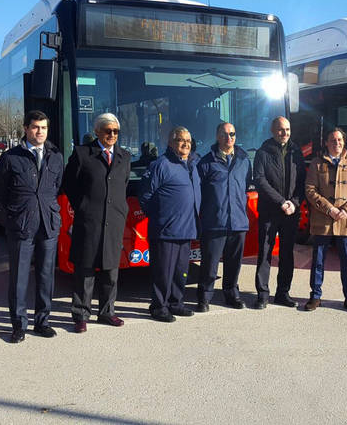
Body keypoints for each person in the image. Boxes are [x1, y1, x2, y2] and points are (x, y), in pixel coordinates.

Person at [0, 110, 64, 343]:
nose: (40, 131)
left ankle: (42, 321)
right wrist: (15, 214)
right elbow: (1, 193)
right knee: (19, 277)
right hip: (21, 225)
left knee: (46, 276)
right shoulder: (10, 158)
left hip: (48, 224)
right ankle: (18, 325)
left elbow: (56, 187)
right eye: (35, 127)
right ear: (25, 128)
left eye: (43, 127)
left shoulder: (56, 156)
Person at [62, 113, 131, 333]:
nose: (112, 135)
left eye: (116, 131)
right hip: (89, 221)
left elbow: (124, 185)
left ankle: (107, 312)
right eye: (107, 130)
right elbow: (69, 185)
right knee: (85, 269)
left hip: (114, 220)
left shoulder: (124, 157)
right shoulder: (83, 154)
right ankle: (81, 314)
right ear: (97, 132)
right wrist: (83, 206)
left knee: (111, 270)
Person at [139, 126, 201, 322]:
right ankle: (159, 306)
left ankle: (176, 303)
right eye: (181, 141)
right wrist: (161, 217)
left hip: (186, 228)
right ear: (170, 143)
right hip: (165, 230)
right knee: (163, 273)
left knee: (181, 271)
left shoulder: (192, 165)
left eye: (188, 142)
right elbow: (145, 195)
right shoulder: (161, 165)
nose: (185, 145)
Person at [303, 128, 347, 312]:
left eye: (339, 140)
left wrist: (346, 210)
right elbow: (310, 189)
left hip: (346, 220)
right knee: (319, 260)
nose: (336, 143)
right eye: (333, 140)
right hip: (323, 220)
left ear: (344, 142)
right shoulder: (316, 163)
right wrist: (329, 208)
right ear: (326, 143)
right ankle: (315, 296)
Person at [196, 122, 252, 312]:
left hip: (238, 221)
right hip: (214, 222)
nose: (229, 138)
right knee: (209, 264)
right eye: (225, 134)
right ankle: (204, 297)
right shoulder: (205, 163)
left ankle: (231, 294)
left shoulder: (244, 160)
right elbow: (199, 193)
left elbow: (245, 186)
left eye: (232, 134)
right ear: (218, 137)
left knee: (234, 263)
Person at [252, 116, 306, 309]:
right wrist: (281, 201)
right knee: (265, 252)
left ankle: (283, 292)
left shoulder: (296, 152)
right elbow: (259, 180)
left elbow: (302, 182)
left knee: (286, 254)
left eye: (288, 130)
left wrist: (294, 203)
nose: (285, 134)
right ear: (273, 131)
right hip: (269, 211)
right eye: (281, 130)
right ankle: (263, 294)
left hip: (291, 212)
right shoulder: (263, 152)